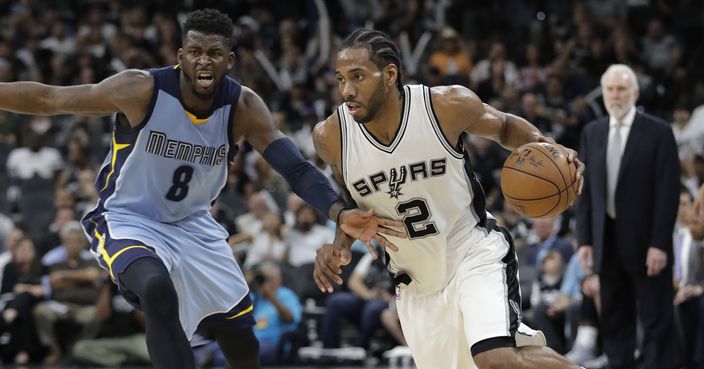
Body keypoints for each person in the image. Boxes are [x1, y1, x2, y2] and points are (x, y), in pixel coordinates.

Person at [0, 9, 405, 369]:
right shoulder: (141, 89)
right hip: (129, 218)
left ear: (229, 60)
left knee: (240, 341)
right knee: (157, 289)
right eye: (194, 52)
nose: (203, 61)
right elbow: (50, 98)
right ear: (180, 56)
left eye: (213, 53)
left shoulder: (243, 106)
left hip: (193, 226)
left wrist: (338, 211)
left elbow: (295, 168)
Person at [312, 29, 585, 369]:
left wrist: (550, 148)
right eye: (340, 79)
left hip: (472, 252)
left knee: (494, 358)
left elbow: (502, 126)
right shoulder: (331, 136)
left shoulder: (443, 105)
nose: (346, 91)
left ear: (390, 74)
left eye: (358, 77)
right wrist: (339, 242)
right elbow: (349, 203)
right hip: (416, 284)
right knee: (509, 356)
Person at [575, 64, 680, 369]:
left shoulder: (659, 132)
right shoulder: (591, 132)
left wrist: (660, 243)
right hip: (605, 238)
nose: (615, 95)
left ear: (635, 92)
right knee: (614, 315)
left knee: (655, 316)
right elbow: (587, 193)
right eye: (610, 89)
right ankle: (620, 364)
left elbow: (668, 193)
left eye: (622, 89)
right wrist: (585, 240)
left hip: (647, 241)